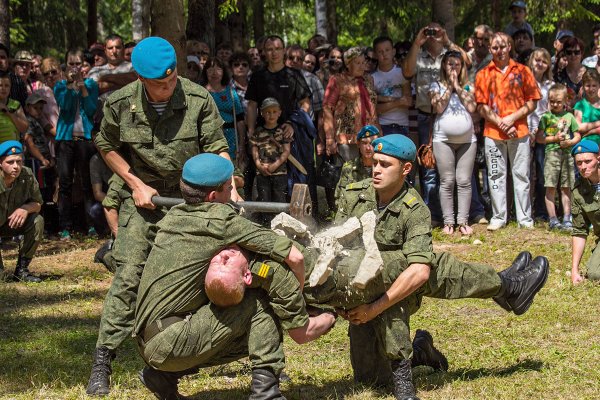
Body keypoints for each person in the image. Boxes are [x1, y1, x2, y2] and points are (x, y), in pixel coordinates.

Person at [334, 134, 549, 399]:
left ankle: (509, 285)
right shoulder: (353, 196)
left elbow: (419, 272)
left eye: (385, 164)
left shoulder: (415, 209)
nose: (376, 169)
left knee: (429, 272)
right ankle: (423, 348)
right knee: (371, 379)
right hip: (363, 286)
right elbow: (335, 250)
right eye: (375, 163)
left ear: (406, 169)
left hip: (403, 283)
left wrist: (373, 309)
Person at [85, 36, 238, 396]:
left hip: (190, 198)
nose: (168, 88)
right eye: (160, 84)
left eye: (172, 80)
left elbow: (217, 147)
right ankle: (103, 359)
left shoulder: (198, 98)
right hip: (144, 200)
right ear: (140, 78)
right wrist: (134, 183)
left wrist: (230, 186)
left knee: (202, 274)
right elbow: (105, 145)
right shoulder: (120, 104)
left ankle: (173, 361)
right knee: (130, 275)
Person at [133, 153, 314, 399]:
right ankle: (266, 394)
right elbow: (295, 257)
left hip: (149, 341)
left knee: (244, 326)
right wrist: (301, 294)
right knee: (261, 304)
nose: (233, 192)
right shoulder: (219, 221)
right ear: (212, 196)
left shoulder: (174, 215)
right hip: (170, 342)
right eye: (230, 188)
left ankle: (163, 376)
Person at [404, 23, 470, 226]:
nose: (432, 35)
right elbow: (407, 72)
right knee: (429, 167)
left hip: (455, 116)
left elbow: (468, 62)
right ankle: (432, 215)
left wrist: (447, 40)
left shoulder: (449, 54)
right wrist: (417, 42)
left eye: (436, 31)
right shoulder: (420, 55)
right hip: (427, 117)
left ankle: (457, 214)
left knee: (453, 172)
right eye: (428, 31)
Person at [475, 32, 540, 231]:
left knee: (521, 175)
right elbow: (481, 106)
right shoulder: (483, 74)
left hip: (519, 131)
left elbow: (533, 101)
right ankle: (499, 216)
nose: (499, 51)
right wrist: (500, 122)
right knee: (495, 175)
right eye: (495, 47)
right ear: (490, 49)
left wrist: (511, 119)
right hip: (493, 133)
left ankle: (524, 218)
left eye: (503, 46)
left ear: (509, 46)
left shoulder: (523, 71)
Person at [429, 50, 477, 236]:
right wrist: (449, 86)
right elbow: (439, 106)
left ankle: (463, 221)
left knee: (464, 181)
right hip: (443, 140)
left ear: (462, 66)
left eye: (457, 64)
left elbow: (472, 107)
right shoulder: (436, 85)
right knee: (447, 181)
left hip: (467, 141)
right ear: (444, 65)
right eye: (450, 64)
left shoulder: (468, 87)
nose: (454, 67)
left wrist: (457, 85)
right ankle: (448, 222)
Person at [53, 49, 100, 240]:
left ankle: (90, 225)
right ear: (66, 66)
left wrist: (82, 88)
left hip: (84, 139)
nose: (74, 67)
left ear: (83, 65)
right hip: (65, 139)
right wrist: (71, 86)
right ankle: (65, 226)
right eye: (71, 63)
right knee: (65, 183)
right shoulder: (60, 86)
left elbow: (90, 110)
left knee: (87, 182)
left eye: (78, 63)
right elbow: (65, 106)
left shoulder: (91, 84)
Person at [323, 47, 379, 162]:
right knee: (349, 173)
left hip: (370, 135)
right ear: (348, 64)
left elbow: (373, 104)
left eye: (363, 62)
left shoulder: (369, 79)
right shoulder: (337, 80)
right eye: (358, 63)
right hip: (347, 136)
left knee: (369, 173)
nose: (362, 66)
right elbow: (327, 108)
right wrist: (329, 138)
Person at [0, 140, 44, 283]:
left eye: (19, 162)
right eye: (10, 162)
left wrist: (25, 209)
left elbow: (38, 203)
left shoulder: (27, 175)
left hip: (11, 223)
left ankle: (22, 270)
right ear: (0, 163)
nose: (16, 167)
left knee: (37, 221)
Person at [538, 84, 581, 230]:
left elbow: (577, 135)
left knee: (566, 187)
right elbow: (539, 138)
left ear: (565, 101)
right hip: (552, 154)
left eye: (558, 102)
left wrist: (570, 142)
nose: (555, 105)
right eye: (552, 101)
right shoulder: (546, 117)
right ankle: (553, 219)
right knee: (550, 187)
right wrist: (555, 138)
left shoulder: (570, 116)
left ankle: (567, 218)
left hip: (568, 155)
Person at [202, 57, 246, 188]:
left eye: (218, 68)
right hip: (208, 136)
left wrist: (242, 144)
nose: (214, 72)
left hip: (231, 137)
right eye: (210, 68)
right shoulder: (201, 92)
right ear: (205, 71)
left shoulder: (231, 93)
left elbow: (240, 119)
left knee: (231, 169)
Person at [528, 48, 554, 222]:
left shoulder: (550, 85)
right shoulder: (524, 80)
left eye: (544, 61)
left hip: (543, 132)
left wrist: (542, 130)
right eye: (537, 60)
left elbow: (551, 111)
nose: (540, 64)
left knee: (543, 175)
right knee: (526, 174)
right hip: (525, 131)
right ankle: (524, 210)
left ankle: (541, 211)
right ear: (531, 60)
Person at [251, 97, 290, 206]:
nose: (271, 115)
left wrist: (275, 165)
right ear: (262, 113)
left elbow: (286, 151)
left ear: (279, 113)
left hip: (280, 172)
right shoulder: (258, 131)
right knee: (264, 199)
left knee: (280, 198)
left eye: (274, 112)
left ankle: (281, 221)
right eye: (267, 112)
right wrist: (259, 165)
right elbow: (254, 149)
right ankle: (265, 221)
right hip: (262, 172)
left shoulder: (283, 131)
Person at [571, 140, 600, 284]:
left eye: (588, 161)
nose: (583, 167)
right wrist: (574, 270)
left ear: (598, 159)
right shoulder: (578, 191)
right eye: (579, 163)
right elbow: (579, 231)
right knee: (595, 275)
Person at [372, 36, 412, 137]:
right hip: (382, 125)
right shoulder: (372, 78)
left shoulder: (402, 73)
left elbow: (408, 102)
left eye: (387, 50)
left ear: (393, 51)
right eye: (380, 52)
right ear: (375, 55)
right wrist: (399, 101)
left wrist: (382, 100)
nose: (384, 54)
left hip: (403, 125)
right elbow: (375, 109)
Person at [334, 124, 379, 201]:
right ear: (358, 144)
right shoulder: (349, 168)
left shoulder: (384, 167)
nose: (368, 148)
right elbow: (339, 197)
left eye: (372, 143)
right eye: (364, 143)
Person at [555, 36, 588, 108]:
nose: (573, 55)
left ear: (582, 53)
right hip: (566, 116)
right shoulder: (558, 76)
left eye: (576, 52)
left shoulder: (592, 73)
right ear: (565, 54)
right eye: (569, 52)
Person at [0, 70, 29, 143]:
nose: (3, 88)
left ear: (10, 88)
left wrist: (8, 112)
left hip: (13, 149)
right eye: (0, 85)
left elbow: (24, 128)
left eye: (6, 85)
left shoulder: (16, 105)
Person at [574, 69, 600, 144]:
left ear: (599, 86)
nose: (591, 89)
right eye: (588, 86)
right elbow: (578, 127)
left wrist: (592, 131)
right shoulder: (580, 105)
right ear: (583, 86)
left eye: (594, 85)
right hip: (588, 142)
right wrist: (598, 123)